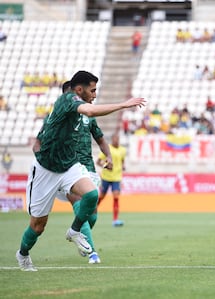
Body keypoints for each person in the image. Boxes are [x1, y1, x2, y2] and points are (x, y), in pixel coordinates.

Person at [15, 70, 145, 271]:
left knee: (92, 194)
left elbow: (94, 126)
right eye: (92, 90)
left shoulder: (78, 110)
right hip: (45, 170)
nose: (94, 94)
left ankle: (75, 231)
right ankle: (23, 254)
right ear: (78, 90)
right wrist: (123, 104)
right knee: (38, 226)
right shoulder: (68, 100)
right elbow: (90, 111)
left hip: (69, 165)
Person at [32, 80, 111, 264]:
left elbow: (99, 138)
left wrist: (109, 156)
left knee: (91, 215)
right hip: (68, 167)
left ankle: (77, 233)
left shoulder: (87, 116)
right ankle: (92, 253)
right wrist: (44, 162)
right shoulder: (55, 117)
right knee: (78, 205)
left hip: (88, 168)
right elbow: (38, 143)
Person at [97, 133, 127, 226]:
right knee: (101, 197)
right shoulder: (107, 149)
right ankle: (91, 212)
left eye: (117, 139)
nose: (116, 140)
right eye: (115, 139)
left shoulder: (123, 150)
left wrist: (123, 166)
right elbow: (98, 162)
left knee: (116, 197)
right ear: (112, 139)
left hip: (117, 178)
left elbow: (122, 161)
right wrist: (105, 166)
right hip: (106, 177)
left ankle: (115, 220)